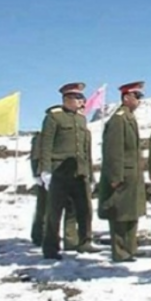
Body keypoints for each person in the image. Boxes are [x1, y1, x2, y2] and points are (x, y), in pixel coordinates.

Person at [39, 83, 100, 260]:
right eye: (78, 98)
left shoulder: (81, 119)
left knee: (84, 209)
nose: (82, 101)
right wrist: (45, 170)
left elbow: (85, 150)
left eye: (82, 98)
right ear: (67, 99)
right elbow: (46, 145)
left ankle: (84, 242)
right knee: (54, 211)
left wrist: (90, 173)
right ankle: (51, 247)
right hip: (59, 171)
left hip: (79, 172)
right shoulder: (54, 117)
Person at [98, 81, 147, 262]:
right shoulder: (119, 119)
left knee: (131, 212)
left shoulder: (129, 117)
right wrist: (115, 176)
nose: (139, 100)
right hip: (122, 175)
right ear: (126, 97)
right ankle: (120, 252)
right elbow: (113, 150)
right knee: (119, 214)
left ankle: (130, 247)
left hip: (132, 174)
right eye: (137, 96)